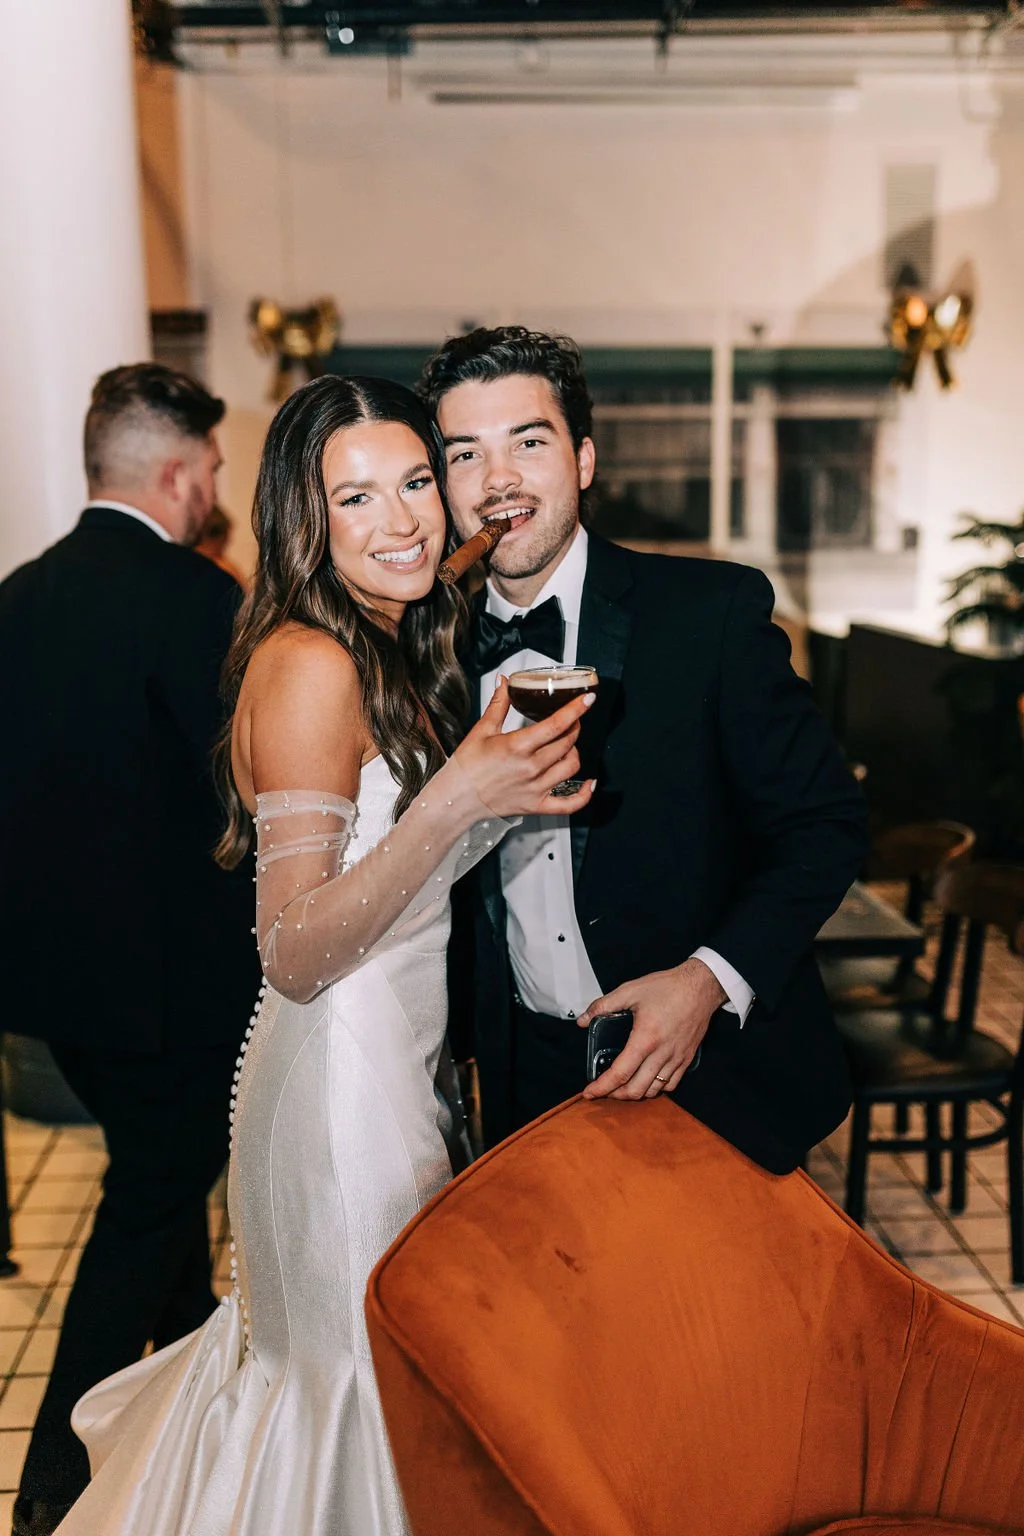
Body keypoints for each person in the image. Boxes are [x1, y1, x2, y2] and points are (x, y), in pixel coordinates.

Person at [52, 375, 593, 1536]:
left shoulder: (377, 633)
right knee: (350, 1396)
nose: (401, 522)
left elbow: (424, 579)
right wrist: (459, 798)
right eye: (356, 498)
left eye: (414, 483)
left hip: (395, 1067)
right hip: (341, 1091)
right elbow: (291, 948)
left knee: (381, 1382)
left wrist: (497, 779)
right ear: (306, 518)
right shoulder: (311, 665)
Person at [419, 326, 869, 1175]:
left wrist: (705, 982)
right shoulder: (427, 657)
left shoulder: (712, 613)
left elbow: (826, 824)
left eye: (528, 441)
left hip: (709, 1075)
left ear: (583, 460)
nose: (498, 479)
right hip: (523, 1087)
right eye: (465, 454)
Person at [0, 364, 261, 1536]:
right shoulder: (199, 601)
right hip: (177, 989)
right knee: (151, 1202)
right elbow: (249, 786)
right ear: (174, 472)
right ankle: (57, 1469)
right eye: (210, 469)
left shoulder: (16, 597)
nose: (215, 489)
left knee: (161, 1185)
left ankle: (160, 1412)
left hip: (55, 991)